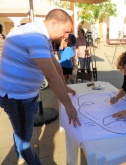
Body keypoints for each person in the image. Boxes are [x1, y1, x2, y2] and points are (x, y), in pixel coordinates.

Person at [0, 9, 81, 165]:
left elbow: (55, 64)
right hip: (17, 97)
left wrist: (64, 87)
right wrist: (68, 106)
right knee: (25, 141)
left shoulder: (39, 34)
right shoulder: (35, 36)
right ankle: (25, 155)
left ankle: (21, 154)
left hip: (19, 95)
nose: (66, 36)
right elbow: (51, 75)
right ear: (54, 23)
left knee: (21, 130)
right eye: (66, 31)